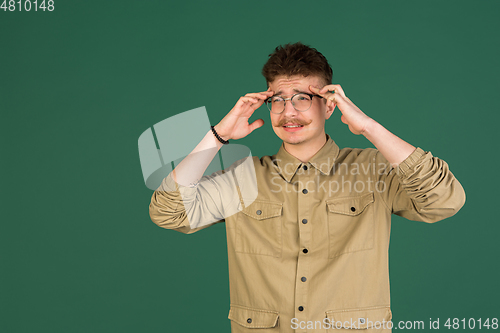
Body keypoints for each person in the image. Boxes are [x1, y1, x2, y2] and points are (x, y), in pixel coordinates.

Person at [149, 42, 465, 332]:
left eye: (302, 98)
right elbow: (169, 212)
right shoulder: (242, 179)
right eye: (278, 100)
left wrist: (368, 127)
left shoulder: (373, 169)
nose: (289, 112)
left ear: (329, 106)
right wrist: (218, 135)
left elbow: (444, 200)